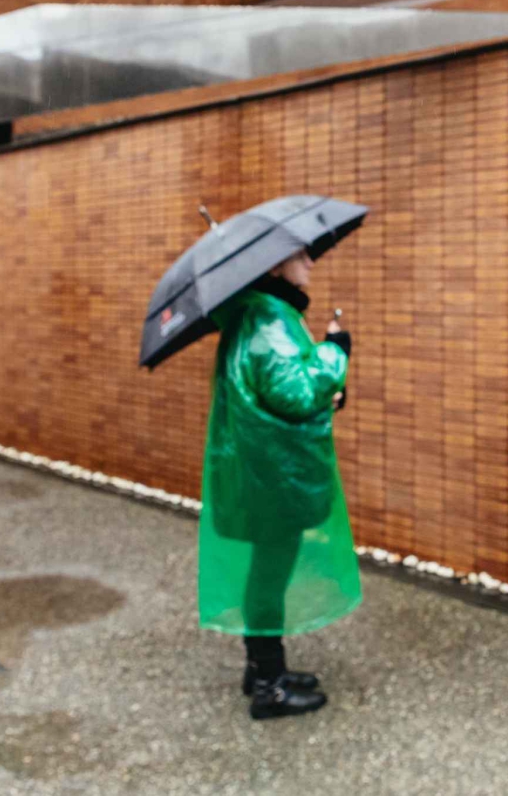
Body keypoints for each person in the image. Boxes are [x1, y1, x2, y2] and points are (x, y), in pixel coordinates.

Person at [197, 248, 359, 720]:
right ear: (273, 264)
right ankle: (270, 686)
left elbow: (275, 391)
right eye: (299, 255)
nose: (310, 261)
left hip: (260, 474)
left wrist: (328, 390)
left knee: (267, 571)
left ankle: (262, 667)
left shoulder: (258, 312)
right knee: (270, 573)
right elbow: (295, 392)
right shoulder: (268, 318)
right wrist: (335, 351)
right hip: (272, 479)